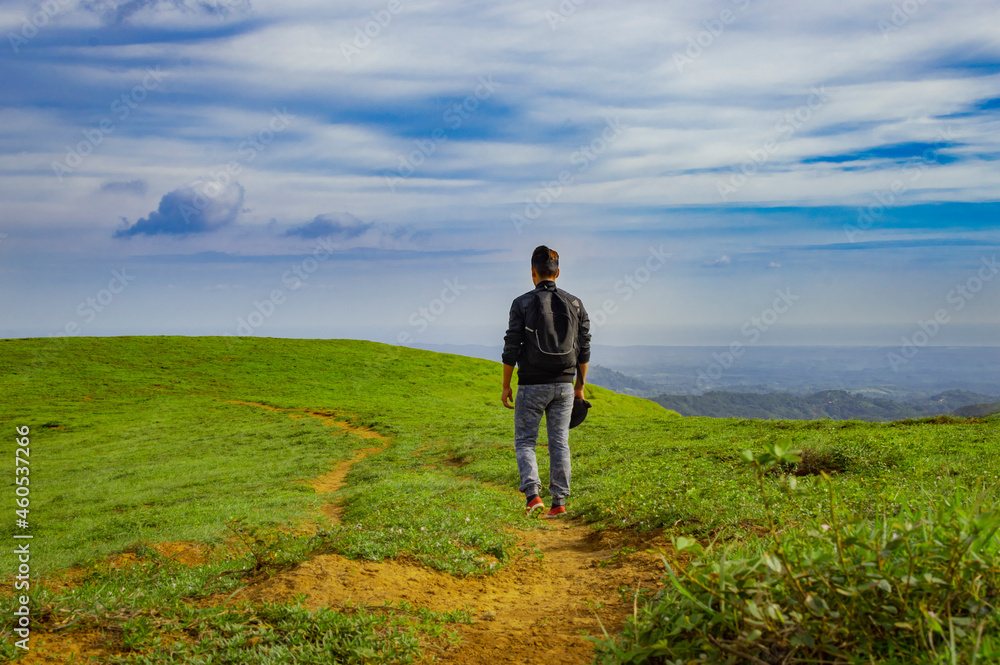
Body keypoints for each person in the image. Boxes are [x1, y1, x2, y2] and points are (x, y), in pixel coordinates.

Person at [501, 245, 591, 518]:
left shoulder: (522, 303)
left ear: (533, 273)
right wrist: (579, 385)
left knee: (526, 441)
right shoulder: (575, 304)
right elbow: (584, 347)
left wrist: (506, 385)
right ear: (558, 273)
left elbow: (511, 346)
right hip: (565, 385)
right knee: (559, 441)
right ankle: (559, 503)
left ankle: (532, 496)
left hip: (530, 384)